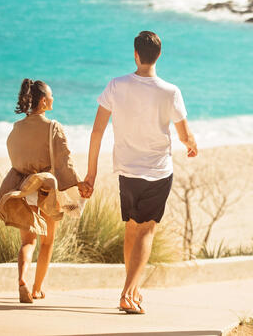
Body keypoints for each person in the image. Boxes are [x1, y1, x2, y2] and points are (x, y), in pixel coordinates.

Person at [82, 31, 197, 314]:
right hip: (158, 172)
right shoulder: (170, 91)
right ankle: (126, 292)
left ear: (135, 54)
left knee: (132, 227)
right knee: (147, 229)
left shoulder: (116, 85)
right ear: (159, 56)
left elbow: (97, 131)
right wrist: (191, 145)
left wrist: (91, 174)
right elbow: (184, 133)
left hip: (127, 171)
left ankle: (132, 289)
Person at [0, 79, 91, 303]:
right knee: (47, 242)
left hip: (24, 188)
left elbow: (15, 157)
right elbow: (65, 161)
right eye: (51, 96)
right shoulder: (53, 127)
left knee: (28, 242)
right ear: (45, 101)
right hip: (46, 189)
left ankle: (22, 280)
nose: (53, 99)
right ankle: (37, 289)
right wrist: (78, 183)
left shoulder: (17, 127)